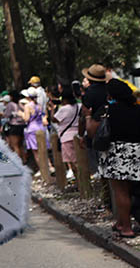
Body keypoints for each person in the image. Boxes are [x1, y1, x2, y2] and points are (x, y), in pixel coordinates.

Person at [92, 79, 140, 238]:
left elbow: (92, 130)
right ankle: (121, 222)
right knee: (129, 189)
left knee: (120, 190)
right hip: (136, 151)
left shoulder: (107, 109)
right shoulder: (137, 109)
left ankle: (126, 227)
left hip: (116, 151)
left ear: (111, 94)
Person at [53, 90, 81, 182]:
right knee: (80, 159)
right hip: (78, 134)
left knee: (72, 161)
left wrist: (52, 108)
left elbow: (54, 119)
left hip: (66, 137)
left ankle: (79, 181)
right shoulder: (79, 106)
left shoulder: (64, 109)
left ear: (64, 99)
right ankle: (83, 180)